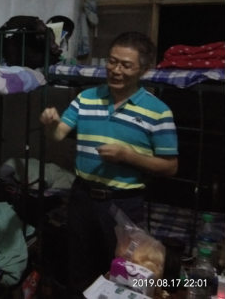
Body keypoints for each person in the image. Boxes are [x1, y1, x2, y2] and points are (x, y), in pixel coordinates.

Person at [40, 32, 178, 298]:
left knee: (125, 274)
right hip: (82, 197)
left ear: (144, 70)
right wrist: (51, 123)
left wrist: (128, 156)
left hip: (124, 203)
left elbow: (170, 167)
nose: (116, 70)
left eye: (126, 65)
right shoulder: (85, 98)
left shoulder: (158, 111)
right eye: (112, 62)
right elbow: (57, 135)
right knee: (78, 270)